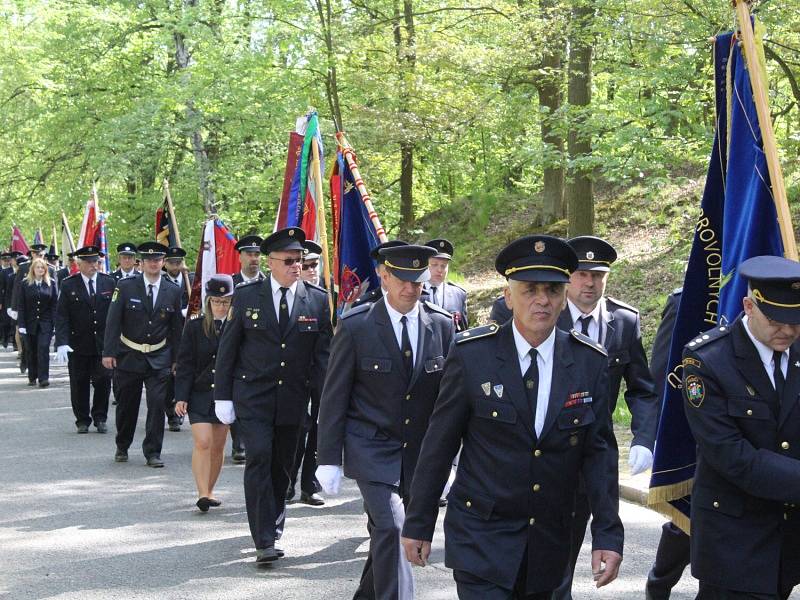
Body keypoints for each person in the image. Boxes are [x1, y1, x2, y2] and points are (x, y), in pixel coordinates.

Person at [400, 234, 624, 600]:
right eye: (530, 289)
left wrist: (608, 534)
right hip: (481, 536)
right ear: (508, 297)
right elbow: (440, 443)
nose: (542, 300)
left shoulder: (589, 362)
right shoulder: (474, 354)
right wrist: (419, 522)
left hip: (549, 540)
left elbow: (599, 454)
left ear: (564, 297)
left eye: (552, 290)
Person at [316, 243, 455, 600]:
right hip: (371, 449)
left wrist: (453, 459)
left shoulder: (440, 325)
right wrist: (327, 459)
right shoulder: (356, 326)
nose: (411, 288)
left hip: (419, 455)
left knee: (386, 537)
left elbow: (452, 401)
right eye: (403, 279)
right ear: (384, 275)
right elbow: (335, 398)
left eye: (418, 281)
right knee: (395, 529)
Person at [682, 255, 800, 600]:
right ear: (749, 306)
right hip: (734, 541)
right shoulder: (707, 360)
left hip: (788, 536)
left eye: (797, 319)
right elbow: (731, 455)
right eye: (777, 320)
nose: (789, 330)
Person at [213, 227, 332, 563]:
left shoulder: (317, 299)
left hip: (294, 399)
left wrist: (325, 402)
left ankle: (275, 524)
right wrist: (223, 395)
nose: (297, 266)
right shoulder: (248, 296)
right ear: (271, 263)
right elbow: (228, 349)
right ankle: (263, 537)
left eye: (301, 260)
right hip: (253, 396)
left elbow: (323, 358)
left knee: (283, 467)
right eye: (290, 261)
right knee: (259, 458)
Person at [552, 235, 658, 600]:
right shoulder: (543, 313)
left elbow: (642, 387)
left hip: (593, 454)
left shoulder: (623, 321)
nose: (590, 283)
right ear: (567, 278)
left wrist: (644, 437)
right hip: (544, 453)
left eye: (598, 275)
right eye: (581, 274)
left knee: (567, 545)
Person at [102, 241, 184, 467]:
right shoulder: (125, 286)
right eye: (149, 260)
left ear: (163, 262)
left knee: (157, 405)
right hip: (129, 354)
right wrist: (108, 352)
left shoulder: (173, 290)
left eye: (158, 260)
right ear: (142, 263)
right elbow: (113, 321)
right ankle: (122, 444)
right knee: (127, 405)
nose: (153, 264)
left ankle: (153, 451)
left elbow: (177, 328)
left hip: (159, 357)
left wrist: (177, 359)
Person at [645, 288, 691, 600]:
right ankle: (659, 584)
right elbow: (662, 374)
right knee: (687, 518)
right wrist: (653, 436)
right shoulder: (686, 300)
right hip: (693, 429)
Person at [175, 275, 234, 512]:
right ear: (208, 302)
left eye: (225, 301)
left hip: (225, 395)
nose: (220, 306)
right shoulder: (195, 326)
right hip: (199, 393)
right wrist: (181, 396)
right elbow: (185, 363)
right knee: (203, 442)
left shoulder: (237, 326)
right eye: (216, 301)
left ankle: (209, 491)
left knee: (218, 447)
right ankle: (201, 492)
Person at [54, 246, 115, 433]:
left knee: (103, 381)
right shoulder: (68, 284)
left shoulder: (109, 282)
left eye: (95, 261)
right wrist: (62, 342)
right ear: (79, 264)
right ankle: (82, 419)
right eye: (88, 262)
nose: (93, 265)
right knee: (79, 382)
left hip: (103, 343)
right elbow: (62, 315)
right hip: (78, 343)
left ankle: (100, 417)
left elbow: (115, 314)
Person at [287, 240, 325, 505]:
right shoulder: (297, 295)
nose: (311, 269)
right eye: (307, 265)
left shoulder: (333, 294)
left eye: (315, 265)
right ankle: (288, 481)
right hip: (296, 375)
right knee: (296, 431)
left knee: (320, 432)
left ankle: (309, 485)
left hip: (325, 374)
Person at [228, 234, 266, 464]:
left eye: (257, 254)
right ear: (240, 256)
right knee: (238, 396)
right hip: (236, 348)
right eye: (249, 254)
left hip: (260, 350)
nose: (254, 258)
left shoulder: (269, 283)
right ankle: (238, 443)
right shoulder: (230, 284)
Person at [162, 245, 193, 432]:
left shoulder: (192, 281)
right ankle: (171, 414)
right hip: (168, 335)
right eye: (172, 262)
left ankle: (182, 409)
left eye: (178, 262)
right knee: (167, 377)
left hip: (189, 333)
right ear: (165, 263)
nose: (175, 265)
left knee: (185, 373)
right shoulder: (162, 281)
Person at [17, 257, 58, 387]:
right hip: (29, 323)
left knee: (43, 349)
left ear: (45, 270)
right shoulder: (25, 283)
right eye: (37, 267)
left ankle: (43, 378)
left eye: (42, 267)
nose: (40, 269)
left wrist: (55, 323)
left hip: (46, 323)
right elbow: (21, 305)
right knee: (31, 350)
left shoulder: (51, 283)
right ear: (33, 269)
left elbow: (54, 305)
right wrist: (21, 324)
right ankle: (32, 376)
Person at [421, 238, 468, 331]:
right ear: (425, 265)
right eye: (434, 264)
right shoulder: (414, 292)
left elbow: (464, 332)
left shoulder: (458, 295)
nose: (439, 270)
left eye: (443, 265)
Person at [350, 240, 409, 309]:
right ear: (377, 271)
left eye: (399, 270)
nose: (392, 274)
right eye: (387, 270)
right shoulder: (363, 305)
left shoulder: (416, 298)